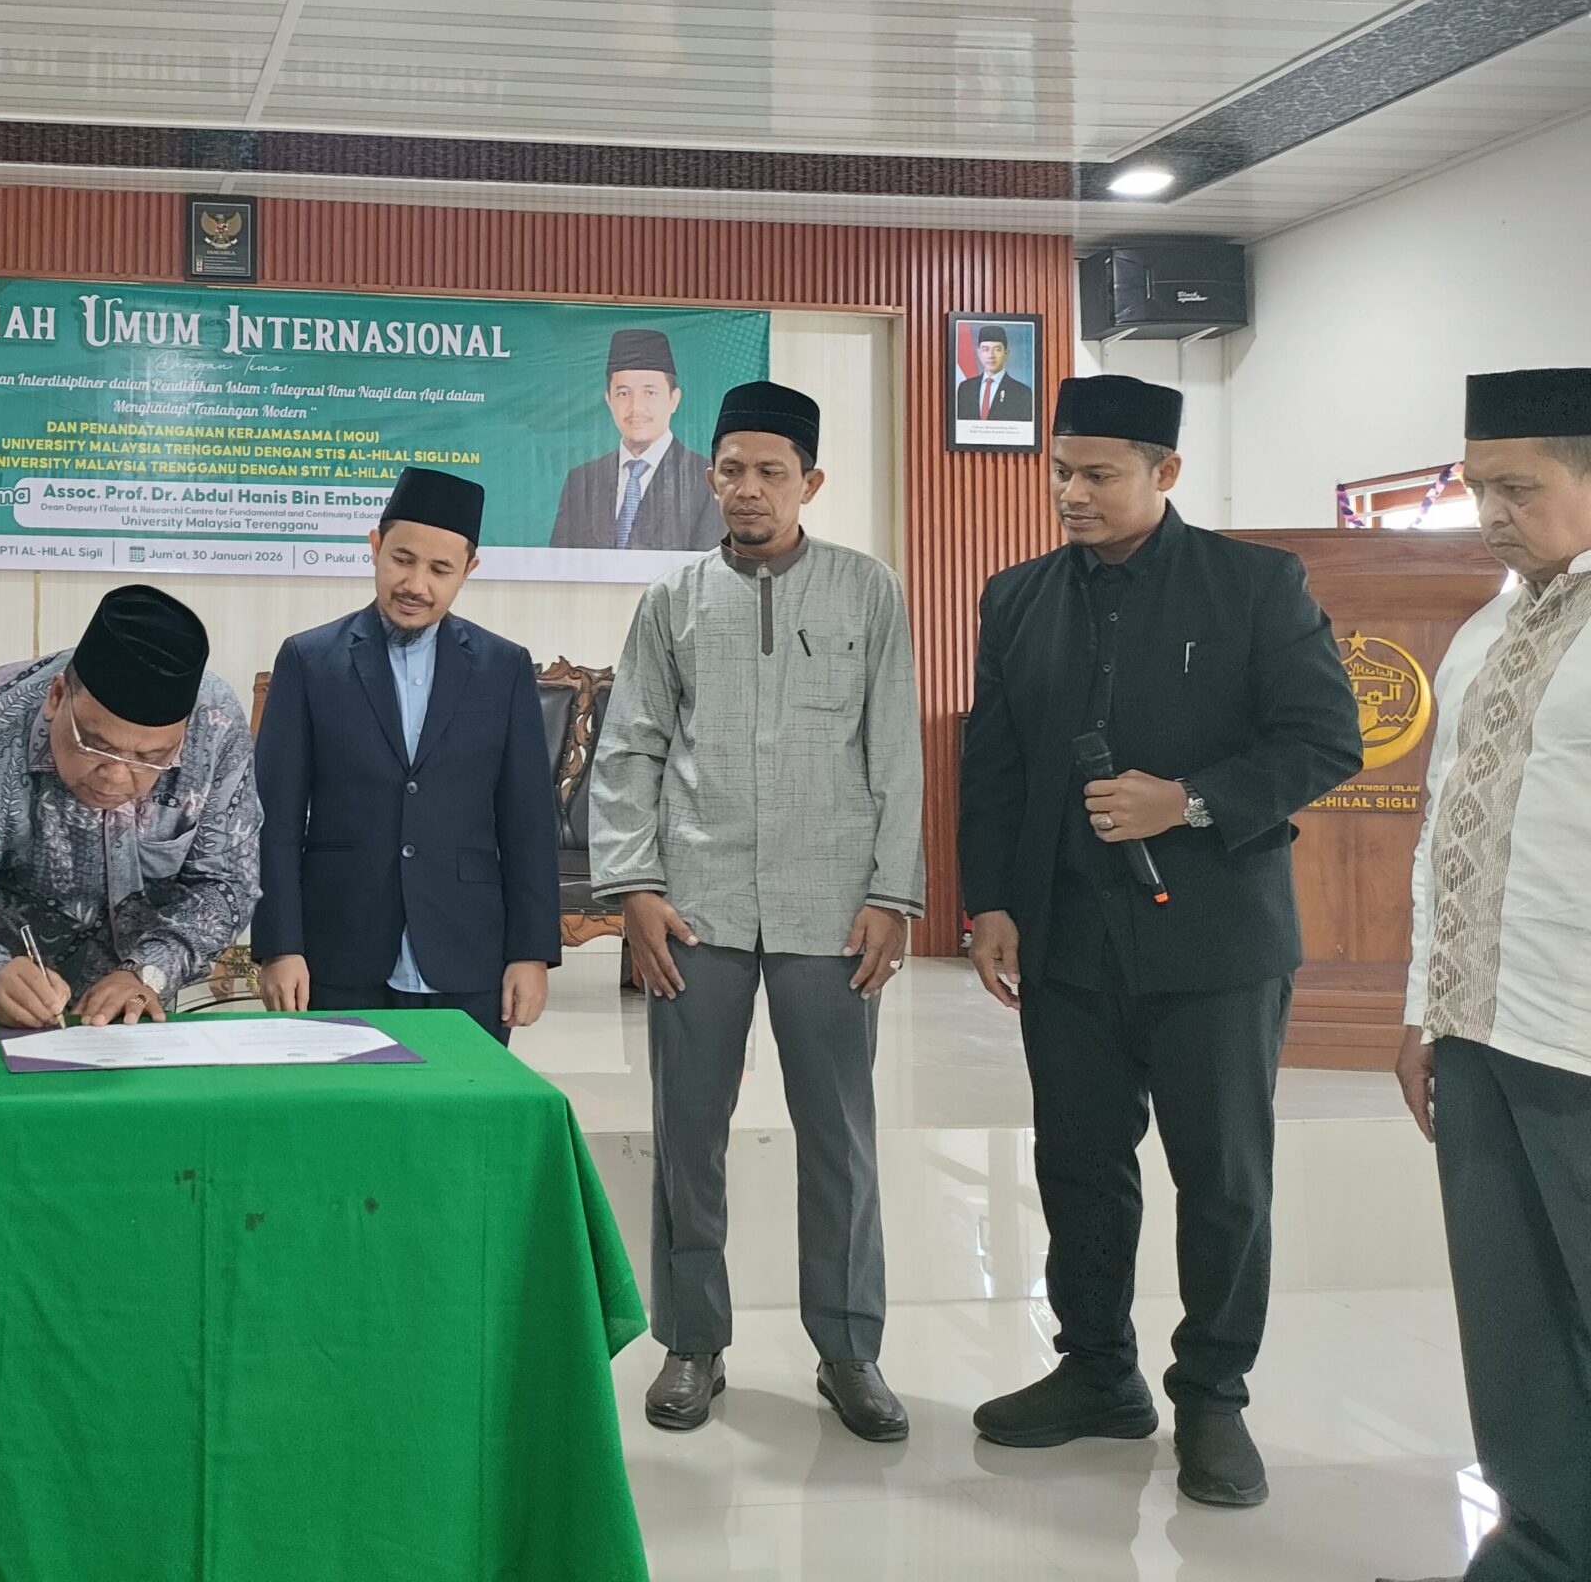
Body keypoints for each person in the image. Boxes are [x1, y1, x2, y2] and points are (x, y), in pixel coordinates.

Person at [958, 373, 1360, 1510]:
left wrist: (1186, 801)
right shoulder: (1017, 597)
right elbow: (994, 763)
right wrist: (992, 903)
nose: (1071, 494)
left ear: (1165, 472)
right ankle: (1097, 1372)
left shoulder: (1255, 584)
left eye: (1098, 474)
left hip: (1216, 944)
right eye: (1059, 472)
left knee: (1221, 1177)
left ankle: (1213, 1398)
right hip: (1068, 941)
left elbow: (1325, 739)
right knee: (1078, 1164)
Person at [587, 380, 924, 1440]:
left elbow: (895, 749)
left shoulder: (867, 591)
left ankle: (850, 1350)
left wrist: (893, 894)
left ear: (809, 483)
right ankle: (692, 1342)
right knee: (687, 1134)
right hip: (700, 907)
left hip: (834, 909)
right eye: (731, 469)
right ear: (709, 476)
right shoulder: (673, 600)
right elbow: (629, 749)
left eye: (771, 472)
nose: (747, 489)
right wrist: (635, 888)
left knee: (841, 1137)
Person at [1385, 369, 1591, 1582]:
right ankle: (1542, 1539)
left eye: (1519, 487)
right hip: (1478, 1029)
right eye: (1478, 489)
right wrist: (1424, 1007)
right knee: (1511, 1315)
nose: (1491, 515)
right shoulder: (1484, 631)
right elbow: (1441, 834)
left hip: (1578, 1035)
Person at [253, 466, 561, 1046]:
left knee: (467, 1102)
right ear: (375, 547)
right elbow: (275, 819)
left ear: (468, 570)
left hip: (468, 952)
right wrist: (279, 946)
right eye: (402, 559)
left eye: (440, 569)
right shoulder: (309, 661)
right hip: (337, 951)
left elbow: (528, 822)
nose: (416, 584)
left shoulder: (504, 667)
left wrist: (531, 953)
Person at [0, 584, 260, 1027]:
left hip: (135, 1004)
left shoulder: (215, 726)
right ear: (56, 697)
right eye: (95, 745)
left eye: (150, 758)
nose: (116, 776)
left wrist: (149, 970)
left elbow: (225, 882)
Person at [548, 327, 722, 551]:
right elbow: (560, 563)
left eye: (649, 392)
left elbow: (710, 564)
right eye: (623, 393)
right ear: (609, 400)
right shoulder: (581, 481)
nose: (635, 407)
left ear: (674, 399)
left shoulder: (706, 479)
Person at [957, 323, 1035, 425]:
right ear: (979, 353)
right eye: (986, 349)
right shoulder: (965, 388)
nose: (991, 355)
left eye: (997, 349)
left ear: (1006, 354)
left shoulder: (1022, 393)